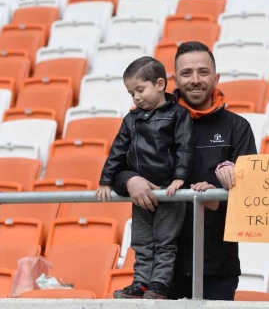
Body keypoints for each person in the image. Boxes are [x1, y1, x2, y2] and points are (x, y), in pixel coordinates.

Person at [112, 41, 257, 301]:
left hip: (216, 264)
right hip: (161, 273)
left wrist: (217, 201)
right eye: (186, 73)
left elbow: (251, 195)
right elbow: (115, 166)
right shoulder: (141, 119)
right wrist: (129, 179)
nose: (195, 80)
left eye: (203, 72)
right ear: (173, 80)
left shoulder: (237, 127)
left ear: (216, 76)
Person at [97, 56, 194, 300]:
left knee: (165, 242)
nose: (136, 97)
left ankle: (159, 285)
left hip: (168, 193)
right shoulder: (131, 119)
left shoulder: (178, 115)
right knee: (141, 241)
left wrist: (179, 177)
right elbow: (117, 151)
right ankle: (141, 283)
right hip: (140, 194)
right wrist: (106, 181)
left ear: (160, 84)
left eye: (140, 90)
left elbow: (185, 147)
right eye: (131, 93)